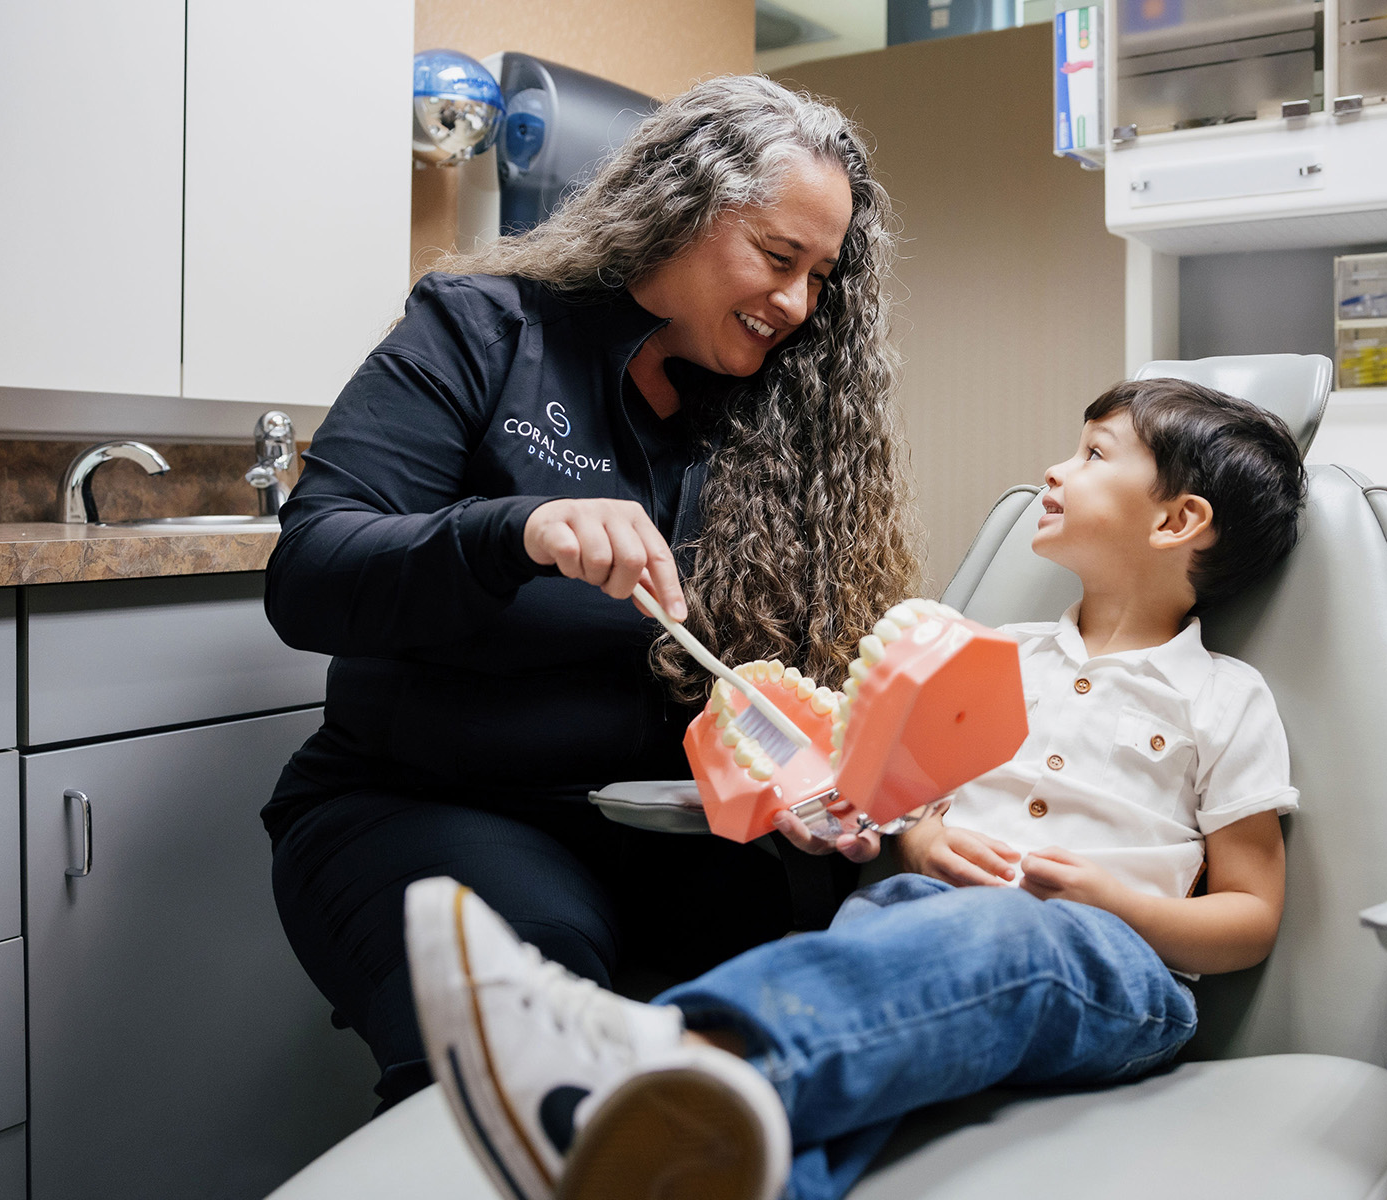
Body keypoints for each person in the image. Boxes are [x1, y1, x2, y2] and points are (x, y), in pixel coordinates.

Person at [404, 377, 1311, 1200]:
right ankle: (691, 1168)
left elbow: (1250, 914)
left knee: (992, 940)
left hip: (1119, 973)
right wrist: (916, 841)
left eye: (1094, 453)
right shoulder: (989, 659)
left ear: (1176, 521)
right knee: (864, 1037)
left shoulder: (1223, 697)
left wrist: (1116, 902)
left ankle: (656, 1056)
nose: (1056, 467)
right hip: (921, 915)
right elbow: (915, 807)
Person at [260, 76, 922, 1111]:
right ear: (682, 210)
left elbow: (772, 698)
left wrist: (812, 776)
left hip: (665, 835)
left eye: (819, 278)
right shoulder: (482, 330)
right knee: (537, 1019)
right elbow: (312, 577)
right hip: (426, 805)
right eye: (777, 257)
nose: (796, 306)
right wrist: (514, 531)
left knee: (846, 981)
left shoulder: (777, 422)